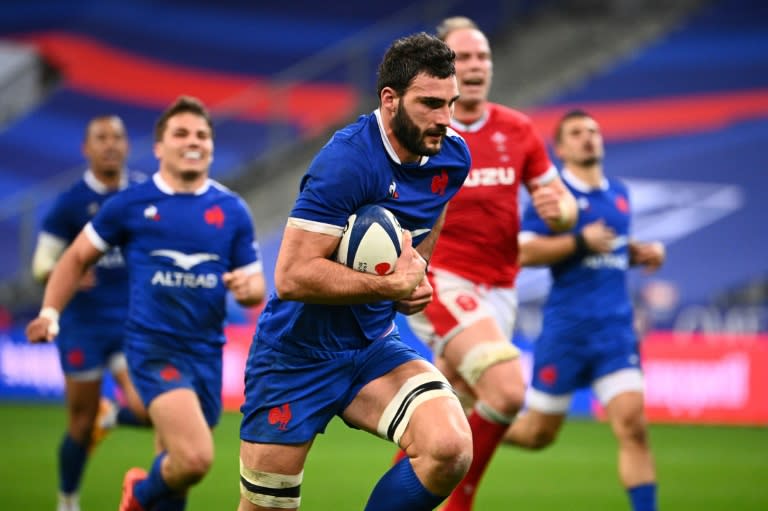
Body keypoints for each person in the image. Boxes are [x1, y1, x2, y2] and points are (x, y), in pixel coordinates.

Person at [238, 33, 474, 511]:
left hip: (371, 348)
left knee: (448, 448)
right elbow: (292, 275)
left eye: (451, 103)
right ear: (389, 100)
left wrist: (418, 270)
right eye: (430, 104)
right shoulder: (347, 160)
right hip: (296, 356)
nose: (444, 119)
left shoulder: (452, 156)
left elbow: (435, 208)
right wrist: (389, 285)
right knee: (268, 507)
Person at [26, 96, 267, 511]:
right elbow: (75, 257)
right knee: (194, 458)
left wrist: (249, 290)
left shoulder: (232, 210)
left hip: (206, 353)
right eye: (181, 133)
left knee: (174, 469)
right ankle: (134, 495)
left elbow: (256, 283)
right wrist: (50, 312)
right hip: (153, 350)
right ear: (159, 147)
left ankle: (147, 492)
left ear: (211, 145)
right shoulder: (130, 204)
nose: (193, 141)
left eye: (202, 134)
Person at [402, 17, 577, 510]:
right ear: (443, 69)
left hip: (500, 288)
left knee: (446, 415)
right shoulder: (424, 131)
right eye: (465, 58)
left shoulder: (517, 129)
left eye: (483, 57)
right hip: (439, 279)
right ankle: (461, 504)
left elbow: (558, 204)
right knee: (505, 390)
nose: (476, 66)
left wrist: (558, 212)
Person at [502, 109, 664, 511]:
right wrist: (579, 242)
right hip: (567, 333)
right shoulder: (552, 198)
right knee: (537, 435)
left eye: (593, 131)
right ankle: (478, 426)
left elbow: (609, 250)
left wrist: (639, 252)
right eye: (576, 133)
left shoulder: (620, 195)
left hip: (615, 332)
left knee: (633, 427)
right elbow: (524, 250)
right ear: (560, 148)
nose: (588, 137)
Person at [28, 115, 150, 511]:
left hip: (131, 324)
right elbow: (41, 263)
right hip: (84, 326)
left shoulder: (144, 193)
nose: (111, 144)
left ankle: (110, 416)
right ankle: (67, 501)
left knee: (149, 410)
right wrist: (63, 269)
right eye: (101, 138)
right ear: (87, 148)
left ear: (127, 145)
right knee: (79, 425)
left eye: (117, 137)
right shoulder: (70, 203)